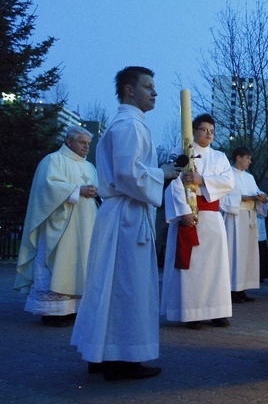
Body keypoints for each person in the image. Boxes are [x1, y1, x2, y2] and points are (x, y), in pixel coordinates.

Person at [71, 66, 182, 380]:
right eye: (148, 86)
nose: (155, 92)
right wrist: (163, 173)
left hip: (122, 214)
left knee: (110, 286)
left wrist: (159, 173)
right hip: (127, 217)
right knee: (127, 288)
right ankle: (122, 359)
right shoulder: (130, 125)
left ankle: (102, 352)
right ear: (129, 90)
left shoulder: (125, 124)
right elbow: (128, 174)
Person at [15, 126, 98, 327]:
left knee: (81, 263)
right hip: (59, 227)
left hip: (85, 226)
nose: (86, 147)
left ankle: (73, 309)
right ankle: (52, 311)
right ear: (69, 142)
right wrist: (78, 190)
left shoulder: (90, 167)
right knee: (58, 262)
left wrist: (95, 191)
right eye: (82, 143)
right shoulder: (53, 160)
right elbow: (47, 188)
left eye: (88, 144)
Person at [162, 113, 235, 329]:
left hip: (212, 217)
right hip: (189, 215)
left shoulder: (220, 157)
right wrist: (183, 211)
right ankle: (191, 312)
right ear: (193, 130)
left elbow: (228, 182)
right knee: (192, 267)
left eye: (212, 131)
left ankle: (217, 311)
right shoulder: (181, 152)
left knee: (216, 267)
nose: (209, 134)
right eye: (204, 129)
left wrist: (202, 179)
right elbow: (174, 183)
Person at [220, 146, 267, 304]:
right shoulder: (227, 175)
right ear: (239, 158)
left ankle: (243, 288)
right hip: (235, 218)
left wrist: (261, 197)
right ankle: (232, 289)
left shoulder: (249, 177)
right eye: (247, 158)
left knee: (247, 255)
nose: (250, 161)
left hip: (248, 218)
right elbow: (221, 199)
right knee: (234, 253)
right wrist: (240, 198)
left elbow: (256, 192)